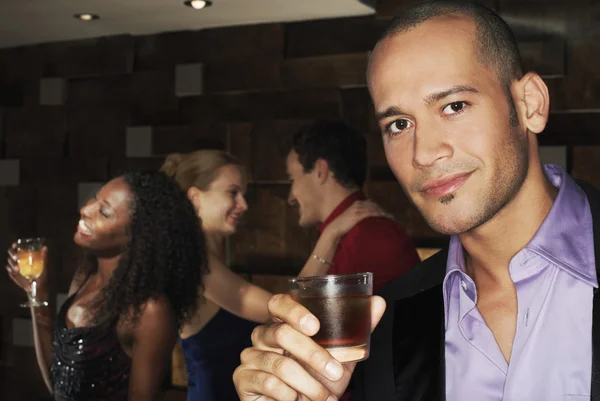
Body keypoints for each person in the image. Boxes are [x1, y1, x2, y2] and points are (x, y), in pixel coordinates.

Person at [231, 1, 600, 400]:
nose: (423, 153)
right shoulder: (388, 325)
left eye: (454, 106)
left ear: (530, 103)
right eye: (399, 124)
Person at [160, 149, 387, 401]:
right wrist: (331, 235)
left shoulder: (208, 262)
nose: (243, 205)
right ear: (194, 197)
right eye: (232, 193)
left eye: (243, 195)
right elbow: (283, 310)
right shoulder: (198, 266)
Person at [6, 171, 206, 401]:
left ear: (137, 236)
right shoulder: (84, 276)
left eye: (104, 212)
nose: (85, 210)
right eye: (95, 199)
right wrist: (37, 294)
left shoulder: (149, 311)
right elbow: (59, 385)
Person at [286, 120, 420, 292]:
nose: (290, 198)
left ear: (320, 170)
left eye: (292, 180)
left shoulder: (365, 238)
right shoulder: (356, 232)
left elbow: (302, 312)